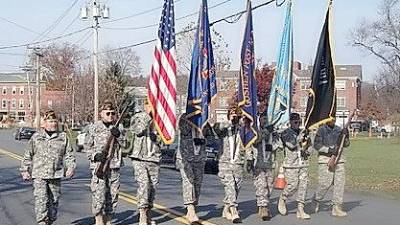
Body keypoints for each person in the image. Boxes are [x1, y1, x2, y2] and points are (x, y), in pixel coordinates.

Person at [20, 110, 76, 225]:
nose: (53, 124)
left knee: (53, 203)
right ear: (44, 123)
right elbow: (28, 154)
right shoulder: (36, 137)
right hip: (39, 175)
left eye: (55, 121)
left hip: (55, 175)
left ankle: (49, 221)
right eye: (50, 121)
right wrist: (25, 170)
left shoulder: (63, 137)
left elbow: (69, 155)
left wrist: (71, 167)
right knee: (41, 202)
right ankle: (42, 222)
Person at [84, 100, 124, 225]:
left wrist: (119, 136)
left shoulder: (119, 127)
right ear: (101, 114)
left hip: (114, 165)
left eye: (112, 113)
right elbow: (86, 146)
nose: (110, 115)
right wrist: (95, 156)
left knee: (113, 195)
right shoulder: (94, 127)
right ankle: (99, 220)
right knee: (99, 194)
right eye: (107, 113)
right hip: (99, 166)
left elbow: (127, 147)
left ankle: (109, 220)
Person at [129, 101, 163, 225]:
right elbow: (137, 130)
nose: (151, 107)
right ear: (145, 105)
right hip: (140, 158)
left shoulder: (160, 120)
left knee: (152, 188)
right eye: (149, 104)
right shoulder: (138, 117)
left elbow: (166, 139)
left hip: (154, 158)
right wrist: (148, 116)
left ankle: (148, 215)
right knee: (144, 184)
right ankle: (142, 216)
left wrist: (158, 138)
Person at [213, 106, 247, 223]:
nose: (234, 116)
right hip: (225, 163)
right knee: (230, 185)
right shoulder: (224, 128)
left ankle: (226, 208)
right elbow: (217, 129)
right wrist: (229, 122)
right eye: (232, 114)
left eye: (236, 114)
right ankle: (234, 210)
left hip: (238, 163)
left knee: (236, 187)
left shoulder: (241, 130)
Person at [176, 113, 210, 223]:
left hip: (200, 156)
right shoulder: (184, 117)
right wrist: (191, 118)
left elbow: (209, 133)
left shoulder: (204, 117)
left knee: (197, 183)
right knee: (188, 181)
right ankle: (190, 208)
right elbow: (184, 130)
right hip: (186, 156)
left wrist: (207, 121)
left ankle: (193, 206)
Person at [277, 112, 312, 219]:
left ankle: (300, 209)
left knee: (303, 186)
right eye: (295, 122)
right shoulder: (285, 133)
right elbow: (291, 144)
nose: (298, 124)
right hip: (291, 164)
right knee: (292, 185)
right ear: (290, 122)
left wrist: (307, 150)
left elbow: (310, 146)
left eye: (299, 122)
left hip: (303, 163)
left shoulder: (303, 133)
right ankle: (283, 198)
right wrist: (300, 137)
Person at [312, 118, 350, 217]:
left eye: (333, 118)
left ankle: (337, 207)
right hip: (325, 159)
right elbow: (316, 145)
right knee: (325, 183)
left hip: (339, 159)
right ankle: (316, 199)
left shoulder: (339, 129)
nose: (332, 120)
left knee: (339, 183)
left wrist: (346, 135)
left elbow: (346, 144)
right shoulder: (321, 130)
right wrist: (329, 150)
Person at [249, 112, 279, 221]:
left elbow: (278, 144)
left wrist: (274, 134)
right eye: (264, 118)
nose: (265, 121)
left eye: (267, 119)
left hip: (270, 163)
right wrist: (267, 131)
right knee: (261, 185)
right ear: (260, 120)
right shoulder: (256, 130)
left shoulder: (273, 132)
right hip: (259, 163)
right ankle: (264, 207)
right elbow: (255, 140)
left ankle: (262, 204)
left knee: (269, 187)